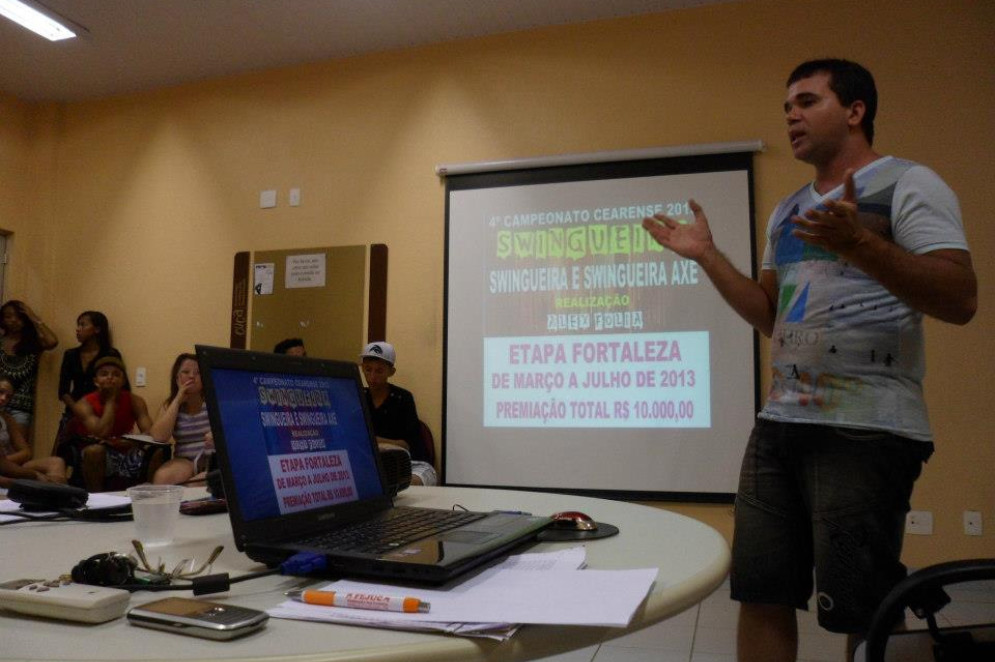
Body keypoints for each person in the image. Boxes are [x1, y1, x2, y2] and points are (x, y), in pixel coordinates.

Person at [642, 59, 976, 662]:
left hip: (867, 427)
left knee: (862, 603)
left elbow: (960, 298)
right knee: (761, 592)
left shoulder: (909, 184)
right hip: (779, 426)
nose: (791, 115)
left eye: (807, 101)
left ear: (855, 111)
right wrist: (708, 256)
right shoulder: (789, 209)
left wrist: (861, 243)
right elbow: (772, 317)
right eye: (786, 107)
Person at [70, 356, 156, 492]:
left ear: (122, 381)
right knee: (94, 451)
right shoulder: (83, 404)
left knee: (157, 451)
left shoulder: (135, 401)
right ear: (96, 381)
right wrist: (111, 400)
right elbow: (101, 432)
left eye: (116, 374)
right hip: (96, 454)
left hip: (126, 451)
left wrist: (127, 442)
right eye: (104, 374)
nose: (110, 378)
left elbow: (151, 434)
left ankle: (150, 499)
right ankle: (97, 501)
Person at [359, 342, 437, 486]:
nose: (372, 376)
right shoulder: (358, 397)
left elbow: (407, 444)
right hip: (373, 464)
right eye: (368, 370)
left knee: (408, 484)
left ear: (391, 372)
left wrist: (374, 440)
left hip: (411, 464)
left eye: (379, 371)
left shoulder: (403, 398)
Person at [54, 311, 126, 453]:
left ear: (97, 329)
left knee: (95, 455)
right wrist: (78, 411)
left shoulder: (111, 354)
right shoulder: (70, 355)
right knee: (59, 455)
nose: (78, 329)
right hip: (73, 411)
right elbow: (63, 390)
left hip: (102, 414)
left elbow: (122, 387)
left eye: (83, 324)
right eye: (78, 325)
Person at [0, 300, 58, 442]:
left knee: (18, 451)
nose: (13, 320)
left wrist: (34, 318)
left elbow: (52, 341)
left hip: (21, 407)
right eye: (8, 316)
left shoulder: (32, 344)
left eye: (18, 316)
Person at [150, 353, 213, 485]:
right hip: (184, 459)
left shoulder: (214, 401)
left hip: (213, 457)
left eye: (198, 373)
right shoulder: (170, 404)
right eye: (186, 372)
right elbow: (159, 436)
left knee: (195, 484)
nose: (192, 376)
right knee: (163, 477)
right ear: (177, 378)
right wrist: (178, 400)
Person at [0, 376, 67, 482]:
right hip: (5, 470)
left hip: (9, 465)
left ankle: (58, 494)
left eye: (8, 397)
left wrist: (6, 463)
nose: (3, 398)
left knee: (56, 462)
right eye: (1, 392)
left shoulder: (7, 419)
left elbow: (26, 452)